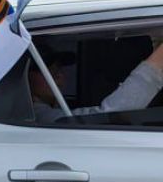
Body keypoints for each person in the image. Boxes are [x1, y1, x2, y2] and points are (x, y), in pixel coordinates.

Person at [29, 42, 163, 122]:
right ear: (24, 77)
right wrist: (155, 64)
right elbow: (111, 115)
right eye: (47, 70)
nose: (59, 76)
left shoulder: (53, 108)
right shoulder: (37, 116)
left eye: (59, 69)